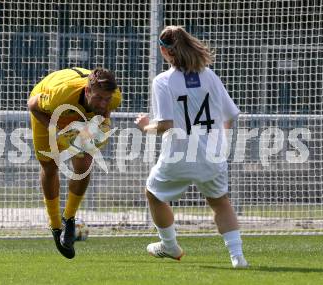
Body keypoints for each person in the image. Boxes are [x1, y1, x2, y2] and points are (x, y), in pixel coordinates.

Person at [135, 26, 248, 268]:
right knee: (220, 203)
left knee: (153, 194)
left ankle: (169, 244)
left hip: (178, 155)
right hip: (211, 155)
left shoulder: (162, 81)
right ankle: (238, 257)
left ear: (164, 51)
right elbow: (230, 114)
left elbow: (165, 125)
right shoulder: (209, 75)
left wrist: (145, 126)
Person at [27, 67, 121, 259]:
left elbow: (104, 111)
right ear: (87, 91)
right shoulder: (60, 94)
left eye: (107, 99)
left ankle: (69, 218)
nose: (103, 103)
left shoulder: (114, 96)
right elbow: (32, 105)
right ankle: (55, 226)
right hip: (48, 110)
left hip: (83, 114)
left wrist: (102, 125)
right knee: (50, 165)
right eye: (99, 98)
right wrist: (58, 131)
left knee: (85, 164)